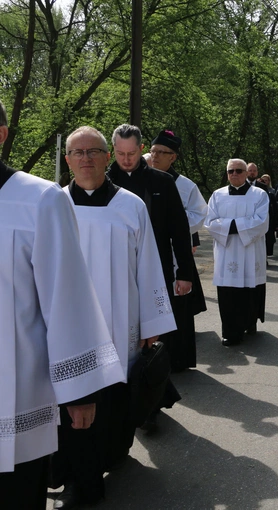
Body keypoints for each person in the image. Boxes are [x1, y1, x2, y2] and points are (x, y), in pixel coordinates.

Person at [0, 103, 123, 509]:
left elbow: (66, 299)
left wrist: (80, 390)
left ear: (1, 134)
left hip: (14, 391)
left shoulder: (38, 199)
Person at [53, 126, 177, 508]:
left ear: (108, 157)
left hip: (119, 322)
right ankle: (78, 478)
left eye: (93, 151)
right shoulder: (52, 205)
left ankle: (113, 454)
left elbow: (150, 267)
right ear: (67, 159)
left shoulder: (130, 205)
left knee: (114, 400)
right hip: (66, 326)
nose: (86, 158)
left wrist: (151, 325)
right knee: (72, 402)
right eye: (77, 152)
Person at [107, 124, 191, 429]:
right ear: (112, 151)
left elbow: (179, 231)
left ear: (142, 150)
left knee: (152, 340)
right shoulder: (104, 183)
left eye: (131, 153)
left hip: (154, 273)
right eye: (120, 153)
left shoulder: (162, 182)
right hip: (114, 277)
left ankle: (152, 405)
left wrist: (184, 272)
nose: (126, 160)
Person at [148, 129, 207, 372]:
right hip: (142, 249)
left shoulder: (185, 185)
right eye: (153, 151)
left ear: (173, 157)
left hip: (173, 250)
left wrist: (173, 224)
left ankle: (177, 359)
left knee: (175, 303)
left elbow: (199, 214)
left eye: (162, 153)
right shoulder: (138, 177)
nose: (155, 156)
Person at [205, 159, 270, 346]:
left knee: (249, 291)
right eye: (231, 171)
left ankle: (249, 323)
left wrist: (230, 225)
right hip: (227, 252)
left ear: (246, 173)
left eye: (239, 171)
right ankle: (230, 332)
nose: (234, 174)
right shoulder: (217, 195)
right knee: (227, 294)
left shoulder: (259, 195)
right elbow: (210, 222)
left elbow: (261, 222)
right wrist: (237, 225)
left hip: (250, 250)